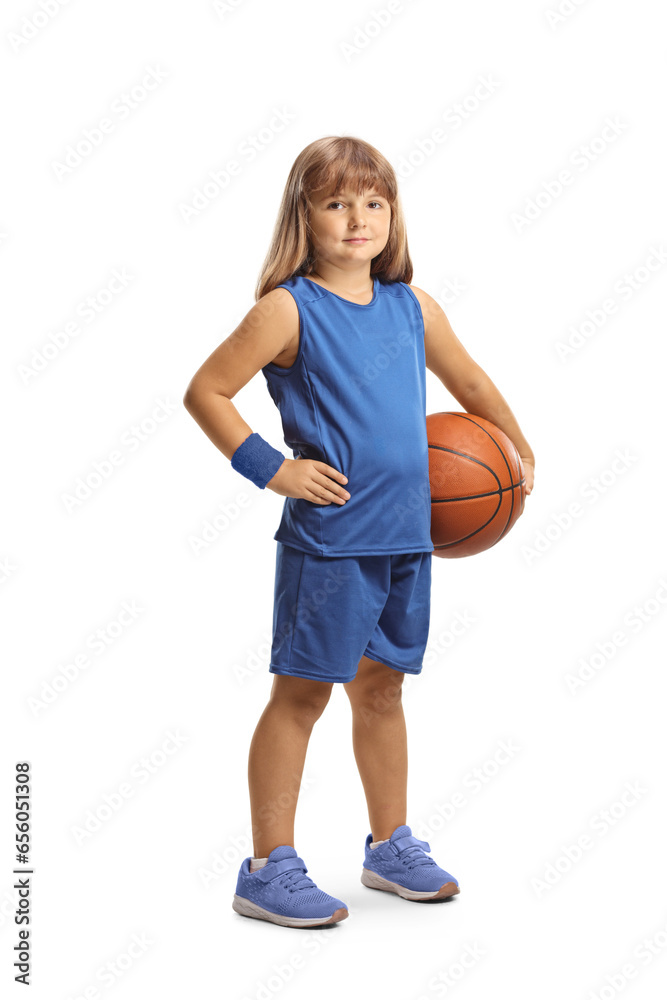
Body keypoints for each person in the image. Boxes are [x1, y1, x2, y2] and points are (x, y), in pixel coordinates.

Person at [183, 135, 535, 929]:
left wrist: (512, 444)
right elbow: (206, 390)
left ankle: (388, 845)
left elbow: (470, 381)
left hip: (408, 539)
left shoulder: (413, 307)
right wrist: (273, 469)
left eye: (373, 202)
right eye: (336, 202)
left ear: (392, 215)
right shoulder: (287, 309)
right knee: (301, 695)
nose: (357, 218)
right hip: (332, 543)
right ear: (303, 215)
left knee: (381, 691)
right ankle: (268, 866)